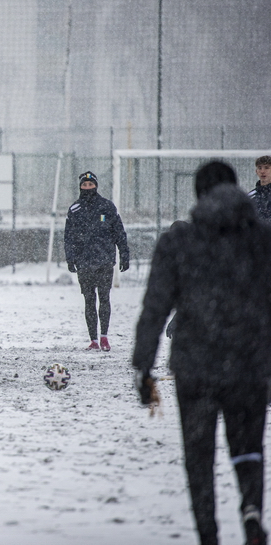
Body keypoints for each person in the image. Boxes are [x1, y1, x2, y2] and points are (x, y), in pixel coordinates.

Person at [133, 161, 271, 545]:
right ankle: (251, 511)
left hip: (196, 367)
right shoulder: (262, 240)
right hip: (249, 363)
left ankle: (207, 533)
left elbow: (155, 307)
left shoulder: (179, 241)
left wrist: (143, 366)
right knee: (248, 447)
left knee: (199, 455)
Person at [63, 171, 130, 351]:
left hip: (105, 261)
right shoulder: (74, 209)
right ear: (80, 187)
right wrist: (70, 258)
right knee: (89, 300)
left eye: (90, 185)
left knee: (105, 298)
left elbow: (118, 232)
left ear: (96, 186)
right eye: (84, 185)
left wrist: (124, 253)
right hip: (84, 263)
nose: (87, 188)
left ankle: (104, 338)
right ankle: (93, 340)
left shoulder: (107, 207)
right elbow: (68, 237)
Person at [248, 154, 271, 222]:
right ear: (256, 171)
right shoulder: (250, 196)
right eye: (259, 168)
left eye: (266, 168)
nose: (262, 171)